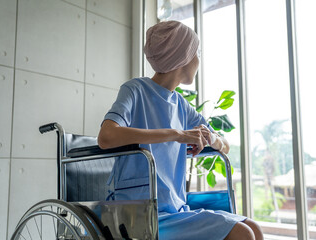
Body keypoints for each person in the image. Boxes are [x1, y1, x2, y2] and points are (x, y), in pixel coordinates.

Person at [98, 20, 263, 240]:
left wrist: (210, 137)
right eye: (197, 53)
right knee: (243, 234)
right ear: (183, 58)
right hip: (137, 213)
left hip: (175, 209)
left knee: (253, 227)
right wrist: (176, 134)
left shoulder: (181, 105)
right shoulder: (135, 90)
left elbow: (225, 145)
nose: (198, 60)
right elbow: (106, 136)